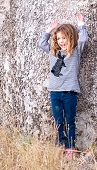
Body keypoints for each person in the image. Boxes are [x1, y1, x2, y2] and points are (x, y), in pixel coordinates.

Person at [38, 13, 88, 153]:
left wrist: (81, 24)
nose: (61, 41)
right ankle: (62, 145)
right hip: (55, 92)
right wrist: (49, 30)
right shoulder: (54, 51)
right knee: (59, 121)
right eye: (58, 38)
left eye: (64, 38)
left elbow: (83, 39)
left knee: (70, 120)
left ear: (70, 38)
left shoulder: (75, 51)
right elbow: (41, 44)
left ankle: (70, 147)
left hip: (69, 92)